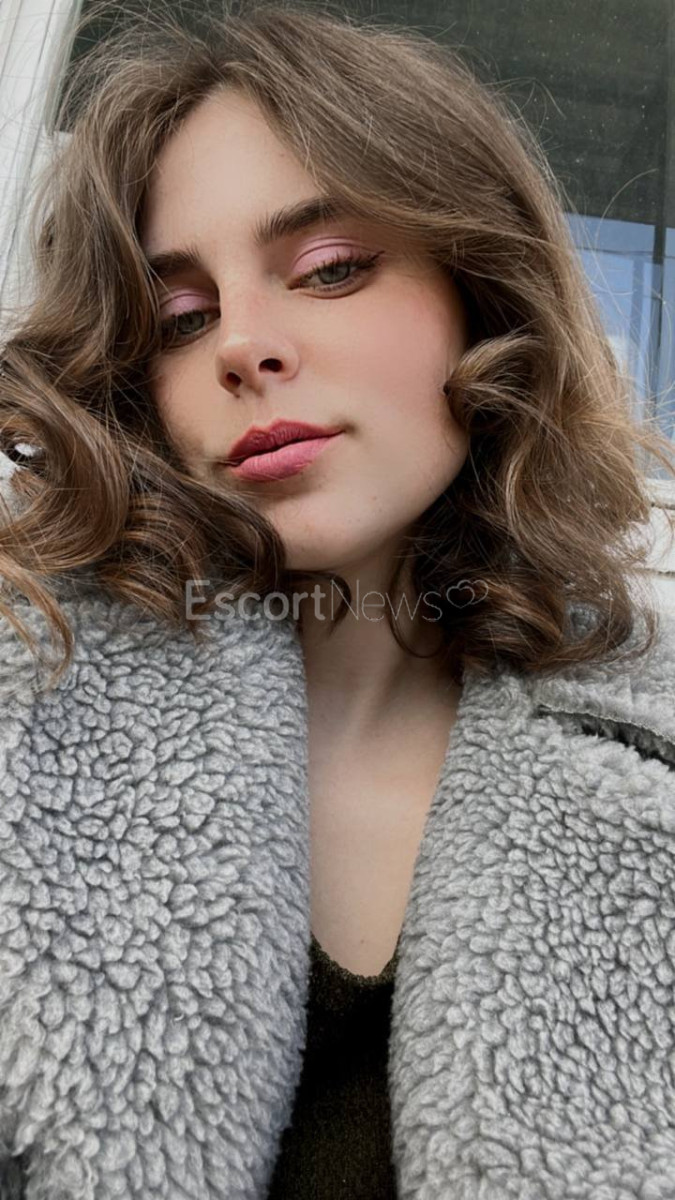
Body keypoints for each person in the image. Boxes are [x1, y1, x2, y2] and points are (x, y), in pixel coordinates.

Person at [0, 2, 674, 1197]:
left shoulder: (651, 777)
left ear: (481, 294)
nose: (244, 347)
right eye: (181, 318)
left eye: (331, 270)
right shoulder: (23, 723)